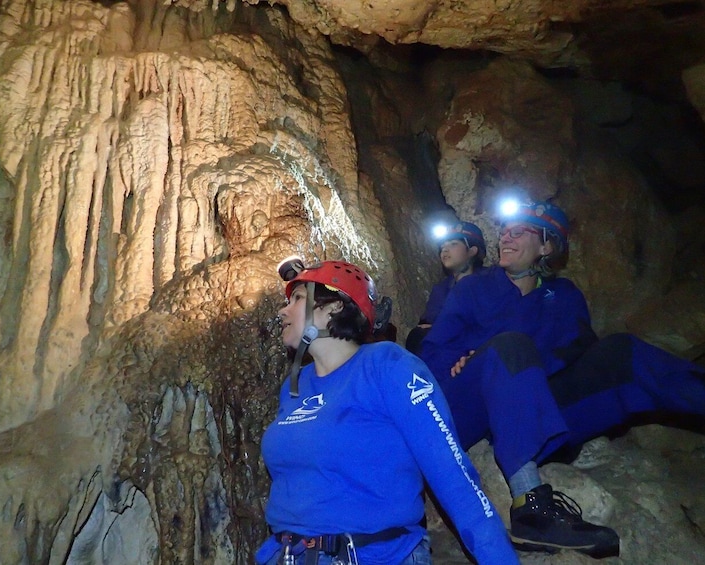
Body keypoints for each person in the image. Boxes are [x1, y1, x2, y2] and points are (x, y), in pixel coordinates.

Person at [418, 200, 705, 559]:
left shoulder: (564, 297)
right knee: (510, 348)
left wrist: (532, 369)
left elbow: (578, 351)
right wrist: (464, 363)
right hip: (469, 406)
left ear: (547, 245)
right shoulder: (474, 288)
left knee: (621, 351)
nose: (505, 238)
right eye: (504, 231)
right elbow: (433, 353)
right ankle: (531, 508)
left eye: (518, 232)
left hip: (533, 408)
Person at [255, 257, 520, 565]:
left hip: (375, 555)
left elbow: (454, 478)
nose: (283, 311)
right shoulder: (294, 386)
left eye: (298, 298)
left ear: (334, 307)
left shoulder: (388, 366)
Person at [405, 221, 486, 355]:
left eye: (453, 244)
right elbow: (430, 322)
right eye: (442, 246)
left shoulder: (490, 282)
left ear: (472, 250)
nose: (445, 250)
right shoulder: (441, 290)